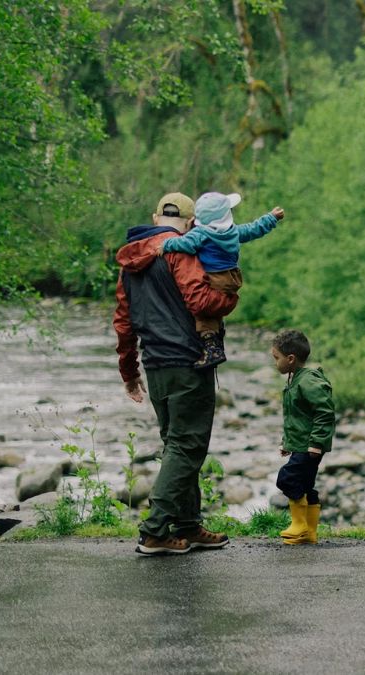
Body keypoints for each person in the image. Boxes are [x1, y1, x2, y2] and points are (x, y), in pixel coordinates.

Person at [114, 192, 236, 556]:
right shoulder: (182, 250)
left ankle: (186, 525)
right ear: (190, 222)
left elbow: (123, 322)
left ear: (155, 217)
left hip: (155, 365)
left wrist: (129, 371)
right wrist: (230, 299)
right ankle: (154, 530)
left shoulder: (130, 261)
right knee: (187, 445)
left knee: (177, 444)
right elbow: (201, 302)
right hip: (188, 362)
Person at [160, 192, 284, 368]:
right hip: (232, 277)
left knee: (203, 312)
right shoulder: (234, 231)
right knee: (215, 311)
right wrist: (271, 218)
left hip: (215, 277)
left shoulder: (201, 234)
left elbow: (184, 244)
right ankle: (218, 338)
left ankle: (212, 350)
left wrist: (166, 244)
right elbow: (254, 229)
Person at [271, 329, 336, 545]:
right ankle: (309, 533)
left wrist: (317, 443)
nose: (275, 363)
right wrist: (287, 442)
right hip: (301, 445)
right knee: (306, 485)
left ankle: (299, 526)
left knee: (287, 478)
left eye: (276, 358)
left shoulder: (308, 381)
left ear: (290, 359)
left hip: (310, 447)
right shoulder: (294, 378)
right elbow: (297, 416)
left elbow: (324, 412)